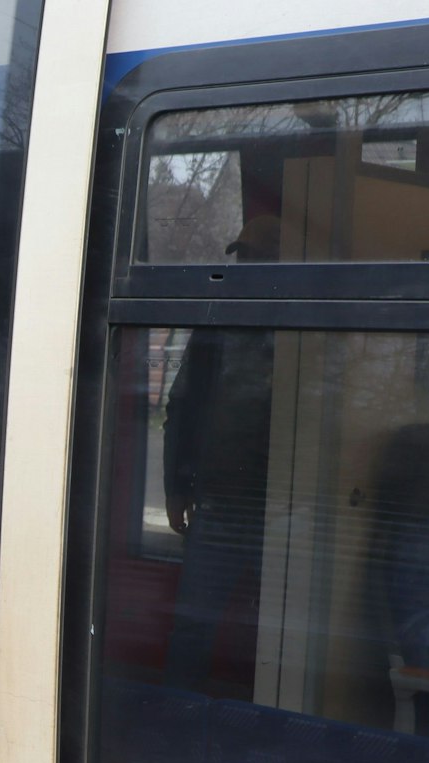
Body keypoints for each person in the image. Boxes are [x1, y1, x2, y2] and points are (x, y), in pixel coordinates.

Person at [160, 216, 280, 690]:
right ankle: (175, 713)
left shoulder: (304, 318)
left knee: (283, 637)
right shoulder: (217, 320)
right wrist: (176, 488)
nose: (247, 265)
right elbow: (181, 405)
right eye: (243, 256)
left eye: (258, 257)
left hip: (284, 511)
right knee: (192, 626)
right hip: (220, 506)